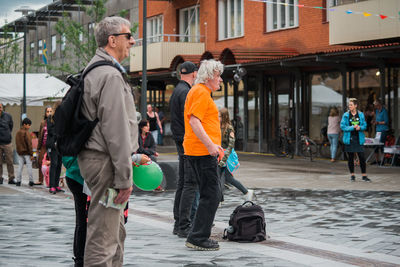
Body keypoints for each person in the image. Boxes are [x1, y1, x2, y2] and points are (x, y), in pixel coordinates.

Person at [77, 16, 148, 266]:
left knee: (114, 232)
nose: (132, 41)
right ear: (112, 40)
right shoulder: (109, 75)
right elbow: (116, 131)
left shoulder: (98, 69)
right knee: (104, 237)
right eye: (128, 36)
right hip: (106, 163)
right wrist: (124, 178)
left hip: (101, 160)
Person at [183, 59, 224, 251]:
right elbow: (195, 122)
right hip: (201, 152)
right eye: (218, 76)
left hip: (200, 150)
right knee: (211, 194)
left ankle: (197, 235)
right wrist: (210, 146)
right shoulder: (200, 92)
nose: (220, 80)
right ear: (209, 76)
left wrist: (214, 145)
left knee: (211, 194)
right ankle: (198, 237)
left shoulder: (201, 92)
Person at [169, 61, 200, 237]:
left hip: (179, 139)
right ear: (194, 74)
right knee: (190, 183)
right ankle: (184, 224)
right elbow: (190, 120)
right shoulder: (187, 92)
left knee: (183, 182)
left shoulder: (176, 91)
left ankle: (178, 221)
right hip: (187, 142)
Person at [218, 107, 254, 201]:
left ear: (224, 117)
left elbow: (231, 146)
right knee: (223, 178)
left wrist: (223, 159)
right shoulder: (217, 126)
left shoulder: (229, 128)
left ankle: (245, 192)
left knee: (225, 178)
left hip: (226, 156)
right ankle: (245, 192)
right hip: (219, 155)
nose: (217, 118)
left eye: (219, 116)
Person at [62, 156, 87, 267]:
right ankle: (81, 259)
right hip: (81, 176)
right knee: (84, 222)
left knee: (81, 222)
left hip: (73, 174)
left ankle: (79, 259)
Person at [340, 98, 370, 182]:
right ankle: (352, 175)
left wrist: (360, 127)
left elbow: (365, 125)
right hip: (349, 138)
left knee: (362, 157)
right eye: (349, 105)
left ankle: (364, 176)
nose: (349, 106)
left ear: (355, 105)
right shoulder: (346, 115)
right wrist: (352, 127)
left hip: (358, 138)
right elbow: (342, 126)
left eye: (351, 105)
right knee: (350, 157)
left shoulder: (360, 115)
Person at [47, 101, 64, 194]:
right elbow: (50, 131)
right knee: (54, 164)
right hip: (54, 143)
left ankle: (56, 185)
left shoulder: (61, 117)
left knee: (59, 164)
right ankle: (52, 185)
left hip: (60, 143)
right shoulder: (50, 118)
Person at [35, 106, 52, 185]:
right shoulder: (43, 123)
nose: (49, 113)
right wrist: (38, 148)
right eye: (47, 111)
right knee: (40, 161)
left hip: (51, 145)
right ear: (45, 113)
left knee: (52, 162)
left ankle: (53, 180)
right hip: (43, 145)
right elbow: (40, 136)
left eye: (50, 111)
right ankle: (40, 180)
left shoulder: (54, 121)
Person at [15, 118, 35, 187]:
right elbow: (29, 144)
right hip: (27, 152)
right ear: (24, 124)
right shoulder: (26, 133)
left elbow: (17, 143)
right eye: (28, 125)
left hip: (20, 152)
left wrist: (18, 151)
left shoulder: (18, 132)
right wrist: (32, 154)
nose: (29, 126)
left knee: (20, 167)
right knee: (29, 166)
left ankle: (18, 181)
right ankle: (31, 181)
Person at [0, 103, 15, 185]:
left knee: (10, 161)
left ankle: (11, 178)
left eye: (0, 107)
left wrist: (7, 134)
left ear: (2, 108)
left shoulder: (8, 116)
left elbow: (11, 126)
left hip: (7, 142)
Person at [372, 99, 389, 165]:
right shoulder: (376, 111)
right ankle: (377, 161)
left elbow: (386, 121)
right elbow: (375, 118)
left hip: (383, 130)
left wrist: (378, 122)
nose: (376, 107)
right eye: (375, 106)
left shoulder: (384, 111)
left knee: (381, 145)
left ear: (379, 105)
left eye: (377, 105)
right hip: (378, 131)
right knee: (375, 145)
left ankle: (383, 160)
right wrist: (374, 121)